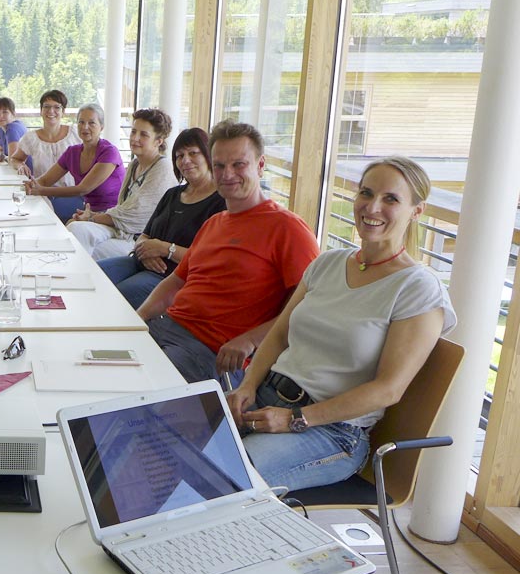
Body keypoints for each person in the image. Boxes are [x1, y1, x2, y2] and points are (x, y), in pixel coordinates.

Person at [226, 157, 456, 492]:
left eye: (391, 199)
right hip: (265, 398)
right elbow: (278, 336)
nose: (372, 207)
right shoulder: (328, 263)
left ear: (416, 211)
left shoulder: (417, 288)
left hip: (331, 431)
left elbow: (389, 389)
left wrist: (296, 419)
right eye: (366, 192)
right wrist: (247, 387)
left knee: (227, 480)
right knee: (171, 450)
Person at [136, 120, 319, 385]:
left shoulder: (288, 229)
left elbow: (308, 308)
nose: (227, 173)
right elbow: (177, 281)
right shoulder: (214, 223)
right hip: (166, 328)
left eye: (238, 164)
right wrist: (138, 319)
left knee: (135, 386)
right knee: (97, 364)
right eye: (220, 165)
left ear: (260, 165)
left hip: (211, 353)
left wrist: (251, 340)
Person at [97, 127, 226, 308]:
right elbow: (144, 235)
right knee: (93, 277)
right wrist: (146, 252)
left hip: (172, 277)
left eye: (193, 153)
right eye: (180, 156)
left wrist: (165, 249)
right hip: (140, 262)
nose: (186, 160)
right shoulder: (172, 195)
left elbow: (209, 260)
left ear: (208, 155)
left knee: (116, 298)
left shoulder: (221, 202)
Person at [68, 108, 177, 259]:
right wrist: (92, 215)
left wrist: (92, 218)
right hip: (121, 231)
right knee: (75, 229)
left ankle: (81, 280)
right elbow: (122, 209)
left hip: (138, 240)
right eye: (133, 132)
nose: (135, 138)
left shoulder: (162, 168)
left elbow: (135, 214)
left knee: (82, 247)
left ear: (158, 141)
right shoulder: (134, 164)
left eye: (143, 135)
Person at [23, 103, 125, 223]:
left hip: (112, 216)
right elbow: (45, 181)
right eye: (81, 122)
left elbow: (83, 189)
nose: (85, 127)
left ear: (101, 127)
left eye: (91, 123)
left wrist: (40, 190)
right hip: (88, 213)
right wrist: (30, 185)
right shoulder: (73, 152)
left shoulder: (109, 152)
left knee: (70, 227)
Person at [10, 89, 80, 186]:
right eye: (46, 106)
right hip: (42, 193)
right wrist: (20, 165)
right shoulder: (31, 138)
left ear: (63, 111)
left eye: (57, 107)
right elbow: (14, 159)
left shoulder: (75, 133)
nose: (51, 111)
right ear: (41, 111)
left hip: (71, 193)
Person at [0, 96, 27, 164]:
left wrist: (4, 157)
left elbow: (13, 160)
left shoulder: (12, 129)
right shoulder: (2, 130)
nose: (0, 116)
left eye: (5, 112)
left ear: (13, 114)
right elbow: (0, 150)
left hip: (27, 173)